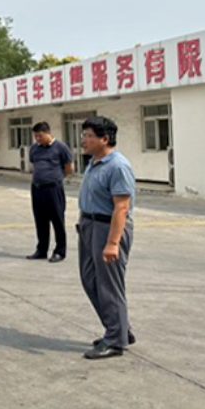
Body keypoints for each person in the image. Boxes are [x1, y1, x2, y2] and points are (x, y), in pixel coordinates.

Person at [78, 116, 136, 360]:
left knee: (109, 285)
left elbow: (121, 207)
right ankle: (120, 328)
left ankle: (115, 340)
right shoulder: (94, 162)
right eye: (83, 135)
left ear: (104, 139)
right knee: (90, 280)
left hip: (108, 228)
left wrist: (112, 243)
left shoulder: (118, 166)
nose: (83, 140)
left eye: (88, 136)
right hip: (89, 225)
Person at [27, 122, 75, 263]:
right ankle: (41, 250)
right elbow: (34, 164)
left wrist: (56, 178)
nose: (38, 139)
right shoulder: (34, 148)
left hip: (53, 189)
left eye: (40, 136)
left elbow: (69, 167)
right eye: (36, 136)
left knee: (57, 220)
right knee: (40, 220)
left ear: (48, 133)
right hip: (37, 188)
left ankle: (60, 251)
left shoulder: (60, 147)